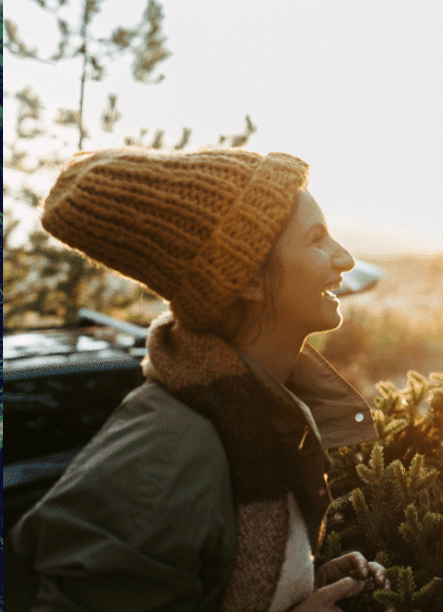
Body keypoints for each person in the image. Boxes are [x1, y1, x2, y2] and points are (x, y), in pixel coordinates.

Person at [8, 147, 389, 612]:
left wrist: (301, 584)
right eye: (316, 239)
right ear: (249, 280)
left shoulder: (259, 415)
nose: (345, 258)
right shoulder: (165, 457)